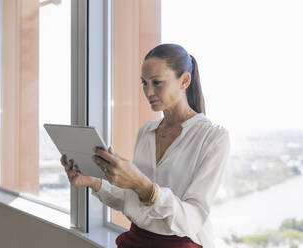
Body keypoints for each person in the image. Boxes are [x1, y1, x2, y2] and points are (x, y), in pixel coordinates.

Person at [60, 43, 230, 248]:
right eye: (144, 83)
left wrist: (144, 186)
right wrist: (94, 182)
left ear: (184, 81)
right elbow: (130, 201)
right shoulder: (147, 131)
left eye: (157, 82)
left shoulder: (212, 138)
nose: (148, 91)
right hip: (135, 240)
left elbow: (193, 219)